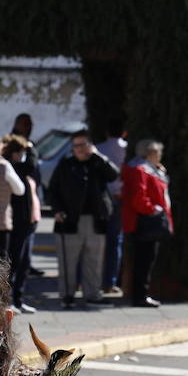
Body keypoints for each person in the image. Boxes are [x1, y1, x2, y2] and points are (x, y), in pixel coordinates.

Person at [46, 131, 119, 308]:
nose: (79, 149)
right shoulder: (66, 164)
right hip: (69, 221)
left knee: (93, 261)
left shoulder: (97, 163)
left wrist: (97, 155)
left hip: (95, 220)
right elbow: (52, 191)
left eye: (82, 145)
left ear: (90, 145)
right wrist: (57, 210)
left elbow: (113, 174)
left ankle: (93, 295)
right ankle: (67, 296)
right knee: (68, 262)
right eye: (75, 145)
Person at [121, 139, 173, 308]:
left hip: (147, 220)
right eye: (158, 153)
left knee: (146, 259)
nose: (160, 156)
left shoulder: (150, 169)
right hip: (144, 222)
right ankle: (140, 295)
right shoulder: (141, 170)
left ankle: (142, 293)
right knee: (144, 260)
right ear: (150, 153)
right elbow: (139, 197)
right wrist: (153, 209)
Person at [3, 135, 41, 314]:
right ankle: (9, 299)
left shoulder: (22, 168)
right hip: (17, 222)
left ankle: (19, 299)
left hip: (29, 221)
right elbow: (31, 164)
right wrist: (31, 148)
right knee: (15, 261)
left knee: (25, 262)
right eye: (22, 152)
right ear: (15, 153)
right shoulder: (13, 167)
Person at [95, 122, 128, 295]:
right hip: (120, 197)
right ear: (124, 133)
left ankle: (89, 281)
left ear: (107, 132)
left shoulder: (98, 148)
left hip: (102, 199)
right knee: (116, 242)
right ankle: (110, 282)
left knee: (96, 241)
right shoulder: (127, 149)